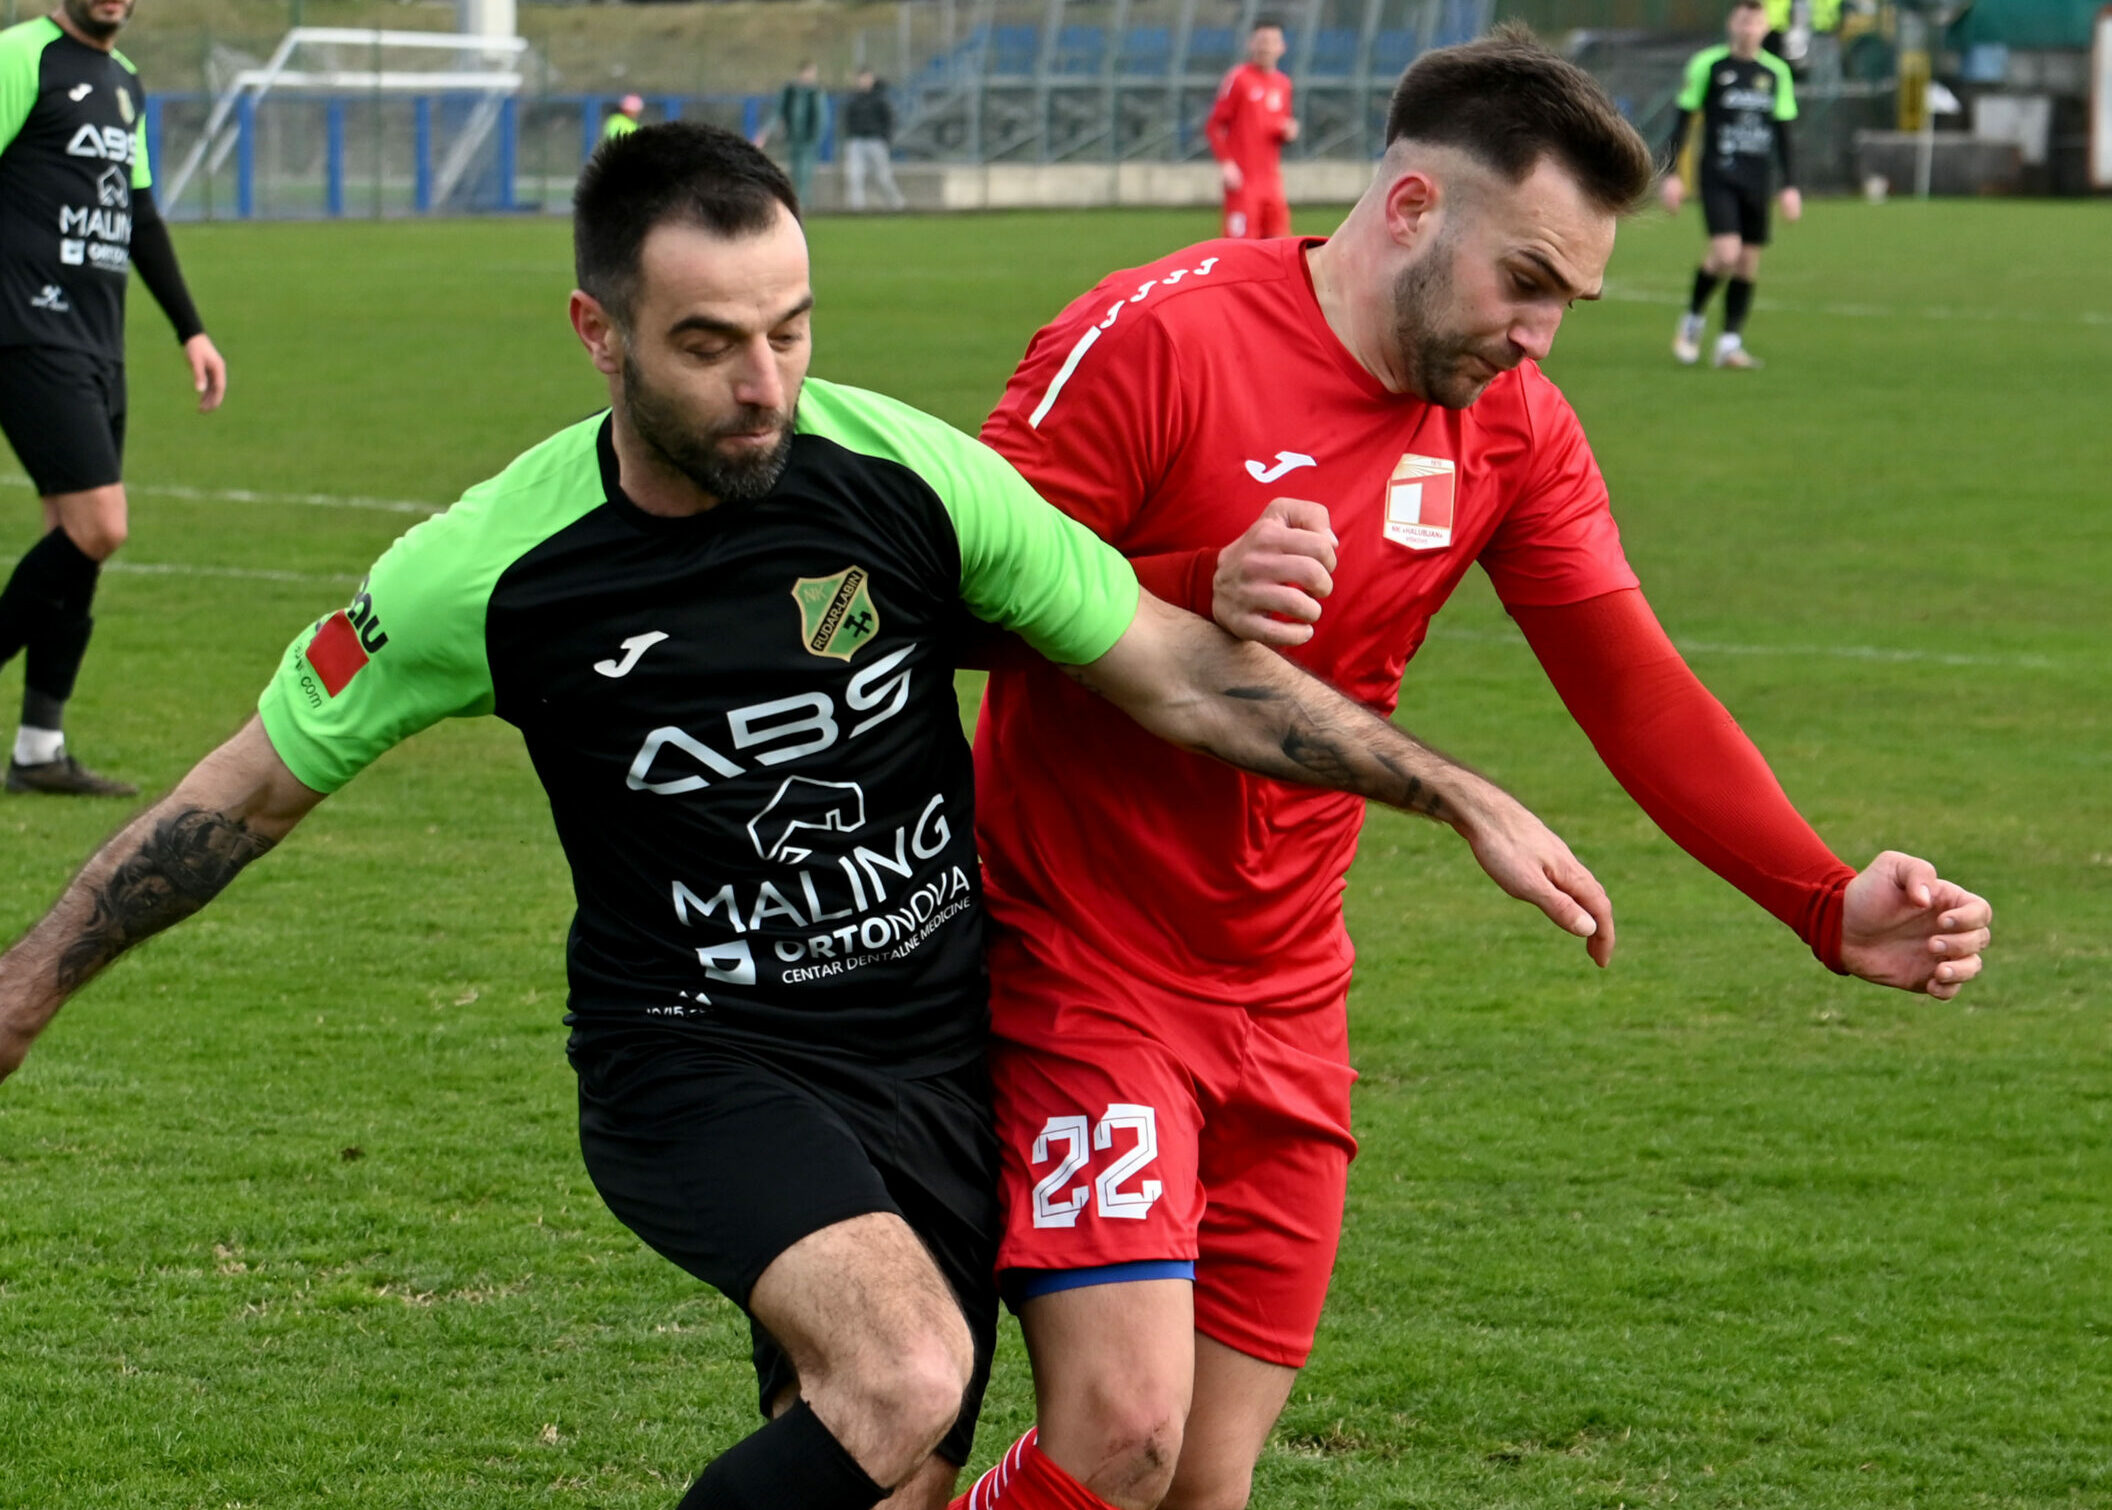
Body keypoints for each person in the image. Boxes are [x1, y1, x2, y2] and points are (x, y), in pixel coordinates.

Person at [0, 122, 1612, 1510]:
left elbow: (1184, 673)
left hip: (934, 1048)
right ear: (598, 330)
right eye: (709, 343)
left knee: (889, 1464)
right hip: (697, 1054)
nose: (764, 383)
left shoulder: (907, 477)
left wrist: (1450, 789)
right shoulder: (487, 572)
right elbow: (247, 786)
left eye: (790, 329)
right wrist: (31, 978)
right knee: (907, 1370)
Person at [955, 27, 1991, 1510]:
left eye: (1571, 297)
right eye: (1528, 281)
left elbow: (1632, 685)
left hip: (1288, 988)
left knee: (1203, 1481)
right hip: (1081, 957)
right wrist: (1185, 583)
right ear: (1412, 209)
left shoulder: (1513, 428)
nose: (1542, 333)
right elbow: (942, 598)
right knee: (1124, 1429)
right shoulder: (1154, 337)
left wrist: (1823, 899)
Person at [0, 0, 228, 795]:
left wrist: (190, 330)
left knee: (71, 539)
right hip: (28, 330)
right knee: (101, 526)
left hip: (100, 340)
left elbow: (136, 214)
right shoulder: (21, 56)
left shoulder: (124, 81)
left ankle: (38, 748)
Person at [1663, 0, 1801, 370]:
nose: (1748, 27)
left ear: (1765, 26)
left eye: (1755, 20)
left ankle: (1729, 343)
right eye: (1743, 19)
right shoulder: (1708, 65)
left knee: (1746, 264)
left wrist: (1790, 186)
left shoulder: (1776, 73)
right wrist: (1672, 174)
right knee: (1725, 253)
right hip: (1719, 175)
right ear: (1732, 23)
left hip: (1758, 179)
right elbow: (1683, 122)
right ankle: (1692, 319)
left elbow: (1784, 133)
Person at [1205, 20, 1298, 240]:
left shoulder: (1283, 84)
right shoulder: (1239, 78)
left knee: (1279, 244)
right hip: (1243, 180)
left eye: (1272, 41)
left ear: (1282, 47)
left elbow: (1277, 124)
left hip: (1271, 181)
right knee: (1241, 248)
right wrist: (1227, 163)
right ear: (1251, 44)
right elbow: (1214, 125)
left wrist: (1288, 131)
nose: (1266, 47)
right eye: (1261, 41)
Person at [754, 60, 828, 206]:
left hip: (809, 140)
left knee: (805, 174)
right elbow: (776, 113)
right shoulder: (789, 91)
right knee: (796, 173)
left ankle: (804, 206)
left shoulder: (816, 93)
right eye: (807, 73)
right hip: (793, 139)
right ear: (800, 73)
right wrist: (764, 133)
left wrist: (816, 137)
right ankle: (799, 205)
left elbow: (821, 118)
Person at [843, 69, 906, 213]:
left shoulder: (880, 98)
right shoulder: (853, 99)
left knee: (883, 177)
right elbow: (847, 120)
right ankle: (857, 209)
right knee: (854, 176)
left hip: (875, 141)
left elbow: (889, 120)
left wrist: (885, 138)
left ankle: (898, 204)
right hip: (857, 141)